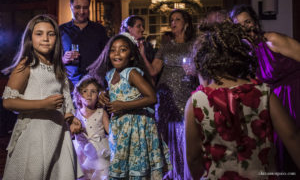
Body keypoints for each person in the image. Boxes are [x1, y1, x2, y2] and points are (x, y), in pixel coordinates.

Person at [185, 21, 300, 179]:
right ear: (241, 54)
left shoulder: (196, 102)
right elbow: (292, 137)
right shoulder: (264, 94)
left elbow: (193, 158)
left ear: (205, 60)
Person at [1, 14, 83, 180]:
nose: (45, 39)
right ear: (30, 38)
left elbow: (64, 100)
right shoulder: (26, 64)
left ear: (57, 38)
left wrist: (70, 117)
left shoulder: (58, 68)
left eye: (50, 34)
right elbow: (8, 102)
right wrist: (43, 104)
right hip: (35, 134)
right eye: (39, 34)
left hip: (59, 133)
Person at [230, 4, 300, 177]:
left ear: (255, 22)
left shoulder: (272, 40)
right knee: (283, 153)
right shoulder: (245, 56)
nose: (246, 27)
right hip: (276, 104)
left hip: (296, 95)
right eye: (240, 25)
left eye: (248, 21)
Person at [89, 34, 171, 179]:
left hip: (137, 127)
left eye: (123, 50)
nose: (117, 54)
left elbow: (152, 97)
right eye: (113, 50)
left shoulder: (132, 73)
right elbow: (120, 92)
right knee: (123, 168)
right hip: (121, 128)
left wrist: (124, 106)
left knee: (137, 168)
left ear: (132, 55)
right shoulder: (110, 74)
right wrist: (105, 94)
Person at [141, 9, 197, 179]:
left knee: (185, 137)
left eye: (177, 19)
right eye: (171, 20)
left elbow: (203, 70)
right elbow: (153, 71)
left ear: (186, 23)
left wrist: (194, 71)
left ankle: (186, 174)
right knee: (166, 137)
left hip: (186, 93)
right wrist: (143, 54)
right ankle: (170, 173)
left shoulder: (195, 45)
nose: (173, 23)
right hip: (165, 96)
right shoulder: (165, 46)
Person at [60, 0, 109, 88]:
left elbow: (107, 57)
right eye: (77, 7)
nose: (82, 12)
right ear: (70, 6)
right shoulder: (61, 30)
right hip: (70, 86)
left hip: (96, 84)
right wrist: (63, 59)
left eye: (85, 7)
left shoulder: (99, 29)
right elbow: (51, 60)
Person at [72, 75, 110, 180]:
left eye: (93, 91)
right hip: (82, 152)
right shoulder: (75, 114)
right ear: (78, 95)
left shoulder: (101, 112)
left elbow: (110, 132)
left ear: (98, 95)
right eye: (85, 91)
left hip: (99, 152)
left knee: (99, 175)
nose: (89, 94)